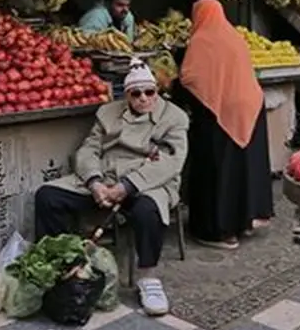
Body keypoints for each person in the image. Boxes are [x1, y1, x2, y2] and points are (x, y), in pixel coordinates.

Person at [33, 61, 189, 316]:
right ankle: (62, 264)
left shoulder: (174, 118)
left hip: (148, 181)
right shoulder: (108, 113)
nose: (143, 99)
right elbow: (89, 149)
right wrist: (94, 182)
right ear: (126, 94)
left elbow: (171, 161)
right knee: (48, 196)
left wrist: (128, 186)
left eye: (149, 92)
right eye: (136, 93)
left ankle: (148, 278)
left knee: (148, 210)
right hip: (105, 176)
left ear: (156, 92)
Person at [176, 0, 272, 250]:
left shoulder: (201, 40)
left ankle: (219, 230)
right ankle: (245, 220)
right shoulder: (233, 36)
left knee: (218, 171)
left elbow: (189, 78)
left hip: (220, 112)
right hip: (250, 106)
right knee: (243, 167)